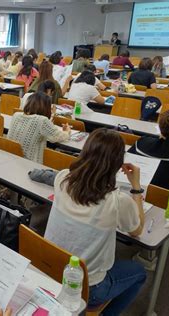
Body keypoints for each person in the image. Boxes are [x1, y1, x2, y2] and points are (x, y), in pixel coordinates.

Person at [44, 128, 146, 316]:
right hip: (87, 287)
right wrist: (137, 188)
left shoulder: (62, 178)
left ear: (85, 152)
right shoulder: (118, 201)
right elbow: (137, 230)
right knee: (140, 273)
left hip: (51, 267)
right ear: (117, 163)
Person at [8, 92, 70, 163]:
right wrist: (67, 131)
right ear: (46, 107)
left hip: (12, 157)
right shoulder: (42, 120)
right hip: (31, 162)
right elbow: (57, 137)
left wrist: (52, 115)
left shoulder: (16, 115)